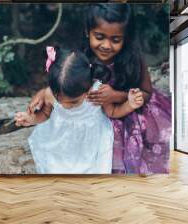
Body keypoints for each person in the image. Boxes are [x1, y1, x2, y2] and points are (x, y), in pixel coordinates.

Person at [27, 4, 171, 175]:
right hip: (93, 117)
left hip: (129, 110)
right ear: (88, 31)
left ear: (125, 37)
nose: (106, 45)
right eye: (99, 37)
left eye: (115, 40)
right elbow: (66, 82)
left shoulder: (134, 59)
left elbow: (147, 93)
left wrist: (116, 95)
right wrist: (43, 94)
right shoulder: (81, 57)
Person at [15, 46, 144, 174]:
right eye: (58, 99)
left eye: (73, 102)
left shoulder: (97, 93)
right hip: (60, 138)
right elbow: (45, 114)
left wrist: (130, 104)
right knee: (55, 167)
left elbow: (113, 112)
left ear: (88, 88)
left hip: (90, 141)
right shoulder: (50, 94)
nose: (64, 105)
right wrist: (32, 119)